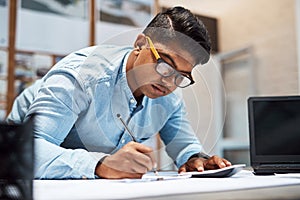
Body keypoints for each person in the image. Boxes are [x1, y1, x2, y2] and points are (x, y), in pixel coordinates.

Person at [7, 6, 231, 179]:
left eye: (181, 76)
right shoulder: (81, 76)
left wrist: (196, 159)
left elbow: (184, 145)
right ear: (141, 43)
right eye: (164, 65)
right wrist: (101, 165)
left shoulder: (170, 97)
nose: (169, 82)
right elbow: (24, 150)